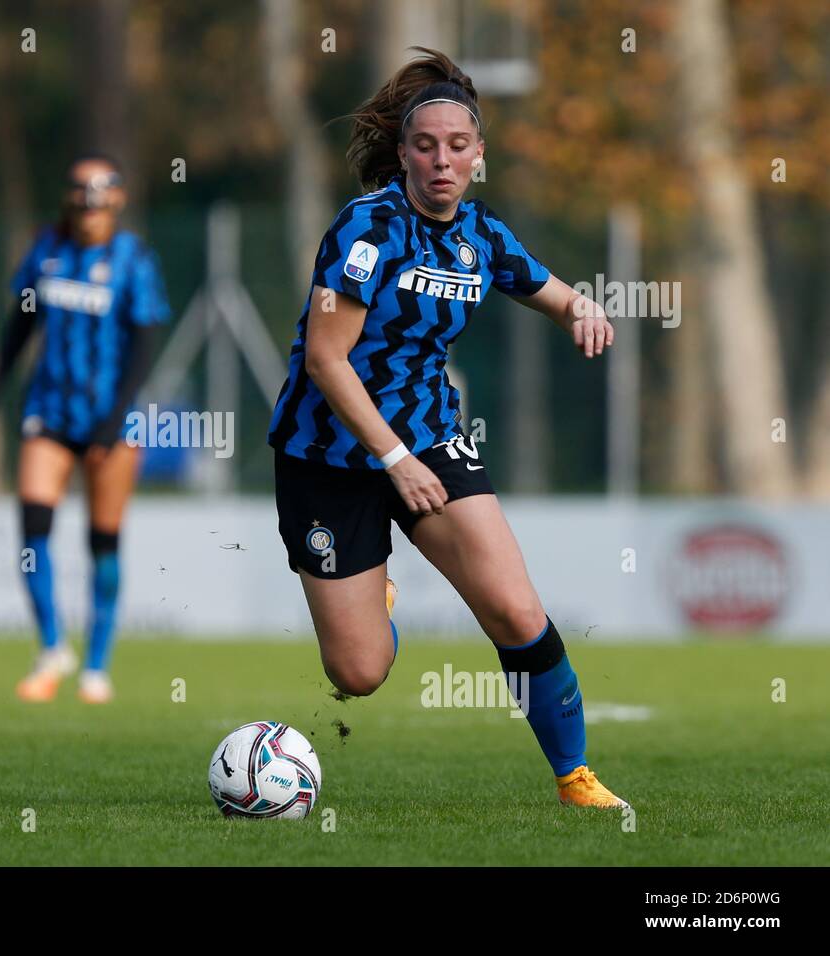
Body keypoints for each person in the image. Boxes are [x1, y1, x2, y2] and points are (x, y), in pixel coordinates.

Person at [266, 49, 628, 808]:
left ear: (478, 156)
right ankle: (377, 600)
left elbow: (547, 288)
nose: (441, 160)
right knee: (358, 674)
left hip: (431, 439)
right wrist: (392, 458)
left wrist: (583, 308)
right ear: (401, 153)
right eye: (424, 146)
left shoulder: (482, 236)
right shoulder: (366, 231)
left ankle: (575, 779)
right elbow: (330, 363)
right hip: (327, 455)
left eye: (457, 146)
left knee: (515, 610)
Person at [0, 155, 169, 704]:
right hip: (50, 411)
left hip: (113, 417)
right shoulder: (47, 250)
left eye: (101, 190)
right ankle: (52, 647)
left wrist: (116, 418)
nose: (90, 202)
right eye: (81, 189)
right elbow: (20, 327)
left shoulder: (132, 259)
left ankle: (97, 666)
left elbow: (145, 344)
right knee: (33, 529)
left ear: (118, 200)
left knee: (102, 541)